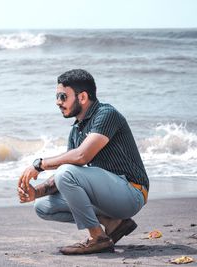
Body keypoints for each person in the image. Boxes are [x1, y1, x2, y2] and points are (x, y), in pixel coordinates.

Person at [17, 69, 149, 255]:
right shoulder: (77, 130)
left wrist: (40, 164)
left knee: (66, 172)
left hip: (132, 192)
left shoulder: (106, 114)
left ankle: (98, 238)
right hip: (109, 196)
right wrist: (34, 192)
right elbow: (69, 173)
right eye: (57, 97)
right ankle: (113, 223)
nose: (58, 102)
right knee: (42, 207)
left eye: (63, 97)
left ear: (83, 97)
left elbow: (81, 157)